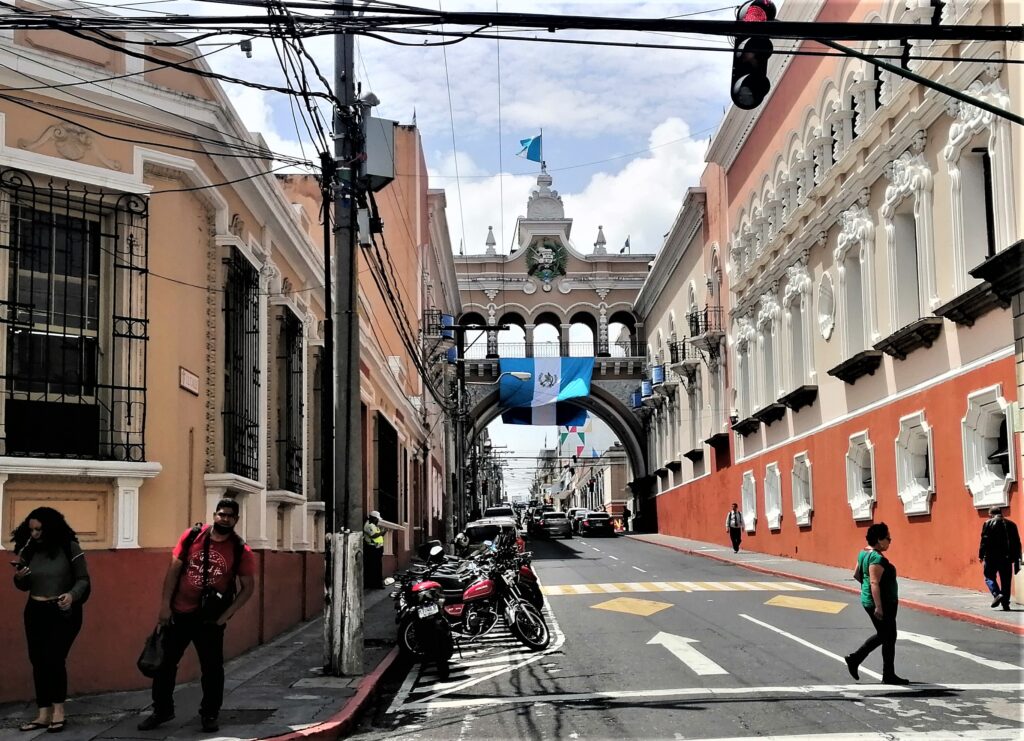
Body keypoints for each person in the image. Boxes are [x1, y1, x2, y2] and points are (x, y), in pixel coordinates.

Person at [137, 499, 257, 733]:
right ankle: (161, 710)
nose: (225, 519)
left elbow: (248, 588)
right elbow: (173, 572)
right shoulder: (192, 536)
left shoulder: (240, 549)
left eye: (230, 516)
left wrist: (225, 617)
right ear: (214, 515)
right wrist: (164, 606)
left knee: (212, 669)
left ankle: (210, 714)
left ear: (236, 520)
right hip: (179, 613)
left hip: (210, 620)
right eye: (221, 514)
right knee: (165, 665)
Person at [11, 507, 90, 733]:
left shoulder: (69, 547)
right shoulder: (29, 549)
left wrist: (71, 595)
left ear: (51, 528)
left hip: (62, 611)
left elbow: (83, 579)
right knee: (38, 660)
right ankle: (43, 713)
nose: (34, 534)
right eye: (31, 530)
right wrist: (19, 577)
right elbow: (23, 585)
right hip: (35, 611)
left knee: (54, 659)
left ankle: (58, 711)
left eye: (39, 529)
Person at [844, 522, 909, 685]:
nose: (890, 541)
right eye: (888, 538)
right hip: (881, 603)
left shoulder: (863, 553)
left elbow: (857, 574)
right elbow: (874, 582)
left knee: (888, 636)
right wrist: (879, 606)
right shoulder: (876, 558)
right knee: (887, 635)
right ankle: (857, 659)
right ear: (879, 540)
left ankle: (886, 672)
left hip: (872, 600)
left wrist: (866, 590)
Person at [979, 506, 1021, 611]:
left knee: (989, 576)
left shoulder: (988, 523)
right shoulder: (1012, 524)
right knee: (1006, 581)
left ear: (991, 514)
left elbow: (984, 541)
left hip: (991, 557)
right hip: (1007, 558)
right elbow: (1017, 543)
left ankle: (996, 594)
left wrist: (981, 554)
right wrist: (1017, 559)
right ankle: (1005, 604)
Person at [363, 510, 384, 589]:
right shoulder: (369, 525)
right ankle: (375, 584)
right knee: (374, 567)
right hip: (372, 549)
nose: (378, 520)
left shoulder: (374, 525)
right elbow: (373, 535)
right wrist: (382, 533)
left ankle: (376, 583)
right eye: (376, 519)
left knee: (377, 566)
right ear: (373, 518)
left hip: (377, 548)